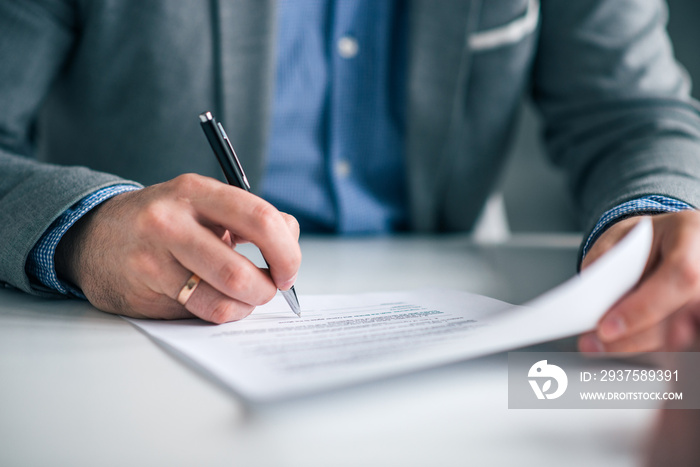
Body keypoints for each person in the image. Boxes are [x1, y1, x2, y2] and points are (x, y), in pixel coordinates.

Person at [2, 0, 700, 354]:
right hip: (122, 345)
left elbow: (635, 111)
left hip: (458, 322)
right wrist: (87, 231)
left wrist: (660, 211)